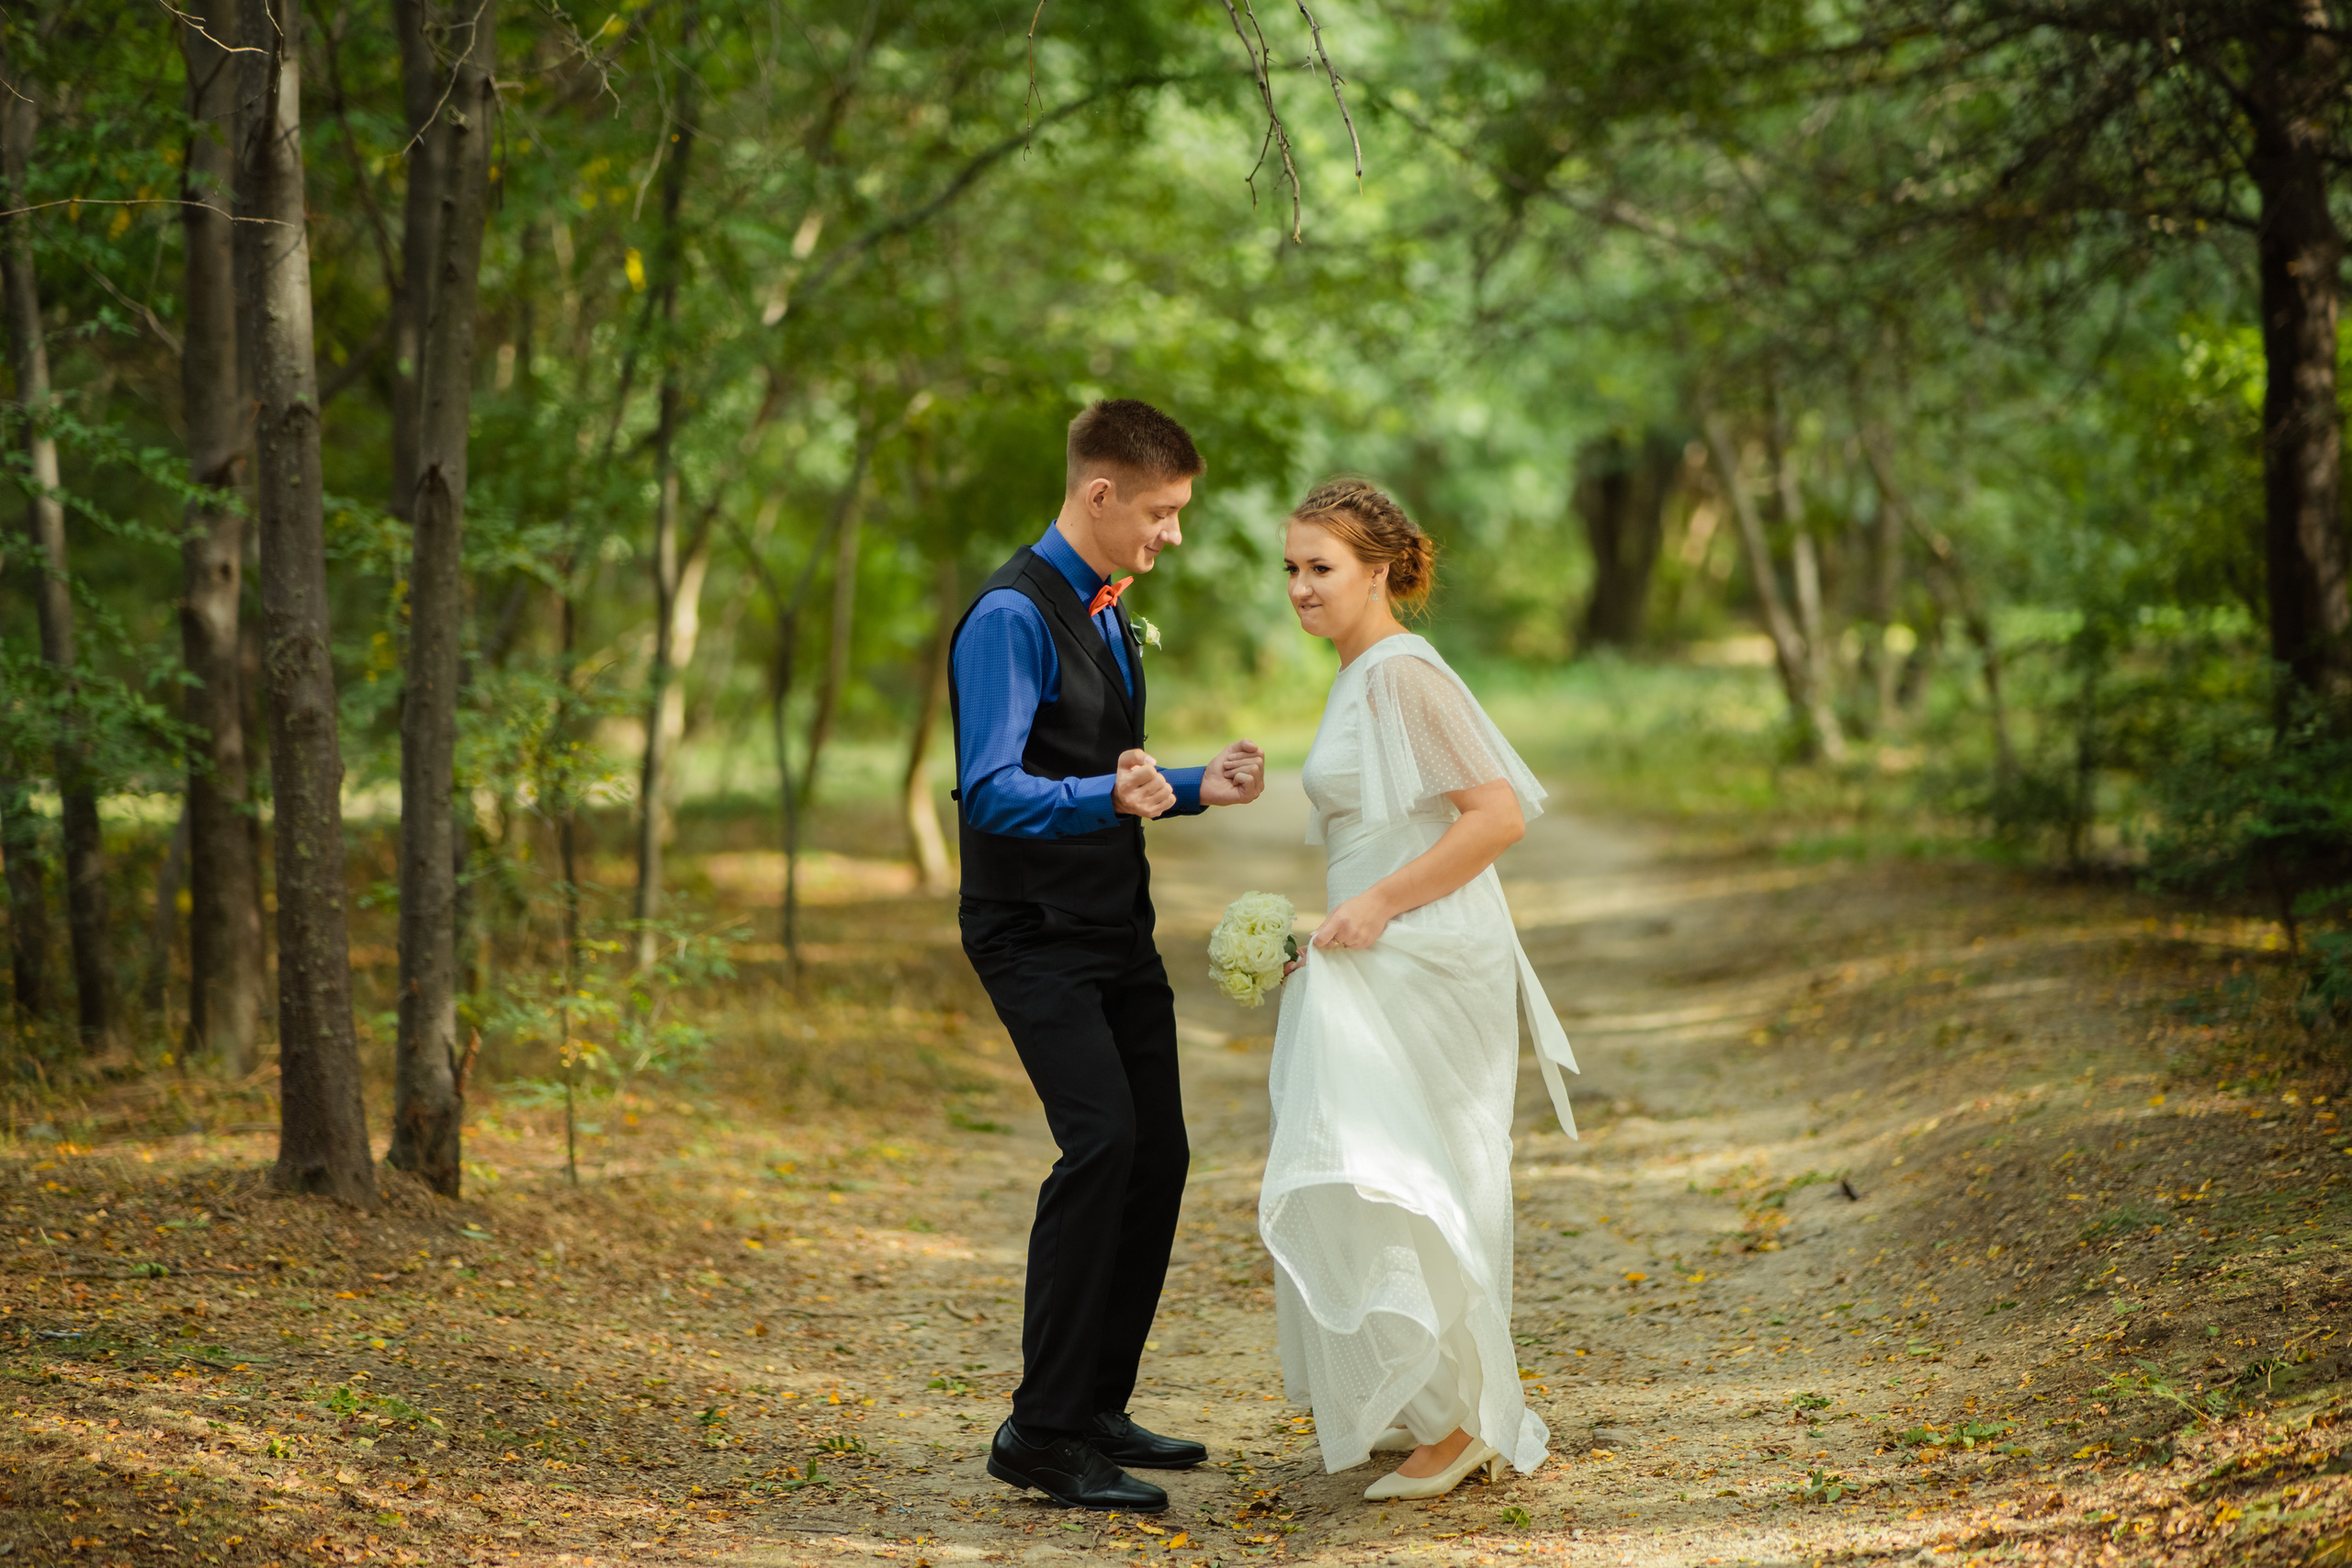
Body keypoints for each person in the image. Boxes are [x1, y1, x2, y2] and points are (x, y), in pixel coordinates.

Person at [952, 399, 1269, 1512]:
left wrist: (1192, 786)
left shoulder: (1109, 606)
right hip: (1030, 930)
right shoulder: (1009, 615)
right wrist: (1109, 795)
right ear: (1100, 494)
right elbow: (991, 790)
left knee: (1158, 1154)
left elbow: (1101, 768)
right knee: (1100, 1145)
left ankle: (1093, 1405)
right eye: (1161, 512)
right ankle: (1038, 1432)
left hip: (1112, 924)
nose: (1171, 533)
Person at [1260, 478, 1579, 1501]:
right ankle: (1436, 1394)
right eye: (1291, 568)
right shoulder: (1357, 674)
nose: (1301, 587)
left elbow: (1496, 815)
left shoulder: (1402, 674)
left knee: (1418, 1168)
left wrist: (1379, 905)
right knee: (1372, 1165)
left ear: (1380, 571)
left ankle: (1465, 1418)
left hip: (1428, 947)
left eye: (1322, 568)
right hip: (1379, 943)